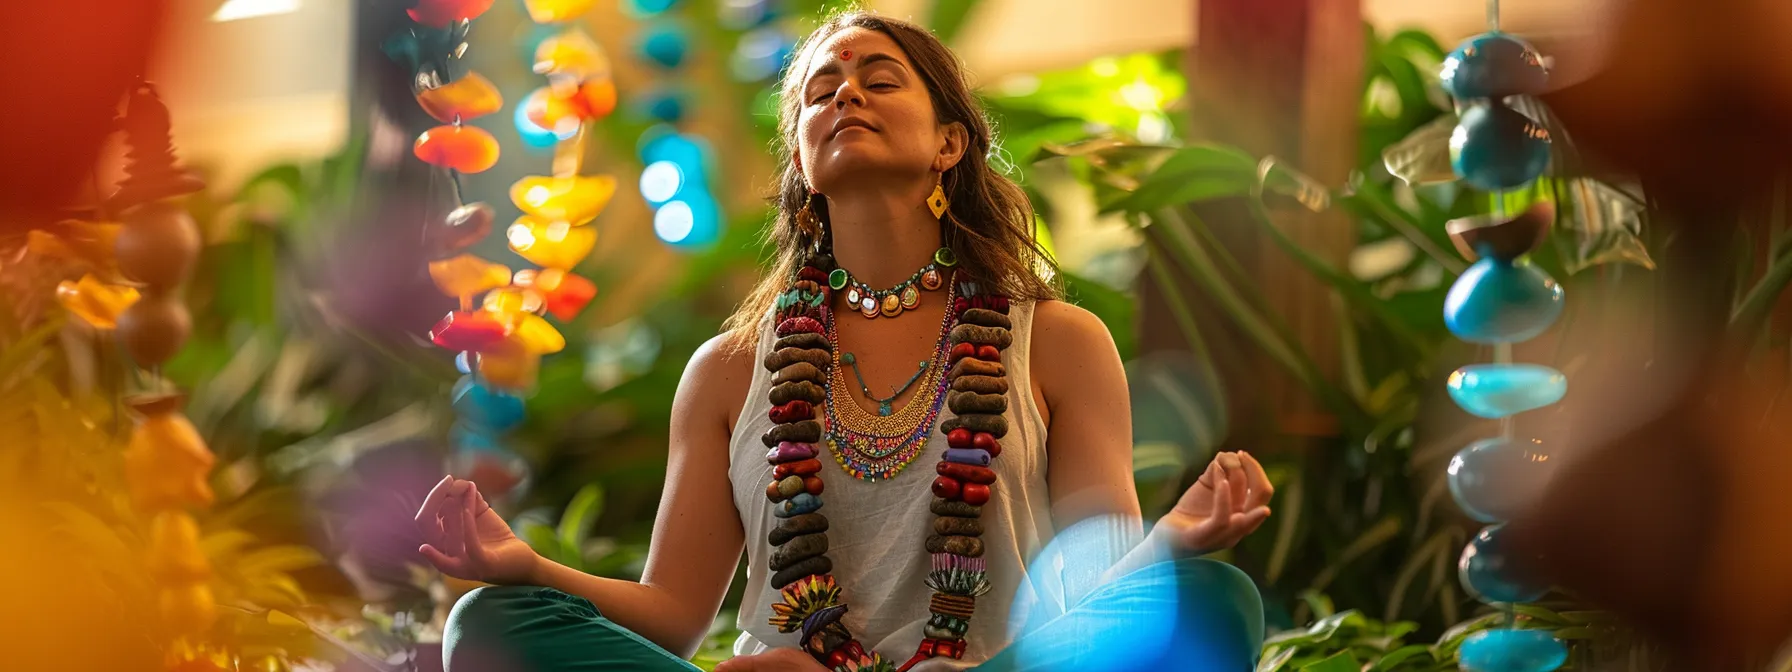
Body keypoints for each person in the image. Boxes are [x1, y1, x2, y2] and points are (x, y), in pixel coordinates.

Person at [414, 11, 1273, 672]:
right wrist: (526, 564)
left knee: (1213, 598)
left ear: (950, 143)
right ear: (800, 158)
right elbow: (673, 613)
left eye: (878, 80)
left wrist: (1171, 544)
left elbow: (1094, 590)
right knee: (492, 621)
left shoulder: (1054, 340)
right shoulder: (729, 369)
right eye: (821, 91)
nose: (845, 96)